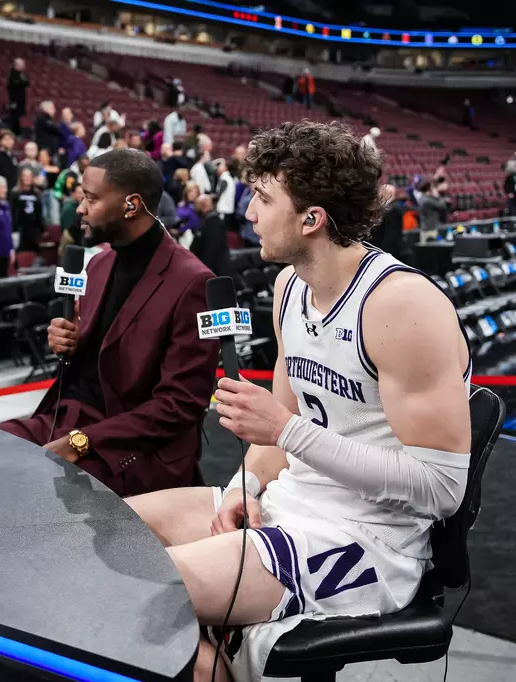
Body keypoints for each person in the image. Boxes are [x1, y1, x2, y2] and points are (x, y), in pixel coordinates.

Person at [125, 120, 472, 682]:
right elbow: (276, 440)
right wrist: (245, 486)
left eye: (263, 199)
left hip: (367, 538)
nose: (250, 213)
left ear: (311, 220)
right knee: (105, 539)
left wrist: (288, 432)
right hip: (292, 503)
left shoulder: (402, 305)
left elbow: (441, 489)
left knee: (138, 595)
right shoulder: (290, 287)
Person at [0, 149, 218, 497]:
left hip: (134, 444)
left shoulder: (192, 282)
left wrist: (82, 442)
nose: (80, 208)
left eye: (91, 198)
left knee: (37, 489)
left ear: (131, 205)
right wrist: (70, 342)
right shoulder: (99, 263)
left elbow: (180, 405)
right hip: (69, 416)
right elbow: (99, 354)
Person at [190, 194, 232, 277]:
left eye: (196, 205)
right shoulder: (209, 221)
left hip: (215, 272)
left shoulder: (212, 223)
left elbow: (211, 250)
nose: (194, 208)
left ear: (203, 205)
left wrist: (205, 269)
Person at [10, 167, 45, 252]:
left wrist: (42, 228)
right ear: (21, 177)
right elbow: (12, 212)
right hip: (20, 229)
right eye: (25, 176)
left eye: (29, 176)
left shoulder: (37, 193)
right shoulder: (15, 193)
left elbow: (39, 213)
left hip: (33, 229)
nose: (27, 178)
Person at [6, 58, 29, 134]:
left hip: (20, 100)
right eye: (22, 65)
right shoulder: (13, 74)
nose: (23, 66)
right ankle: (13, 133)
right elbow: (17, 84)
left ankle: (17, 133)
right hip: (14, 100)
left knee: (18, 118)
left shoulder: (21, 74)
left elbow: (27, 83)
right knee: (14, 118)